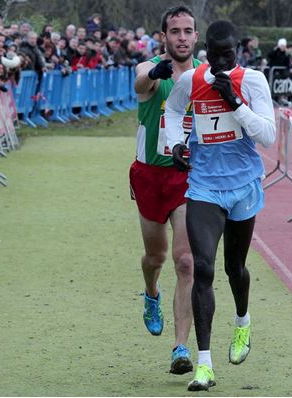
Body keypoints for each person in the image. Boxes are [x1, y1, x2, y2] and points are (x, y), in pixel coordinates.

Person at [164, 19, 275, 391]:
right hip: (204, 187)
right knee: (203, 268)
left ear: (238, 50)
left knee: (234, 268)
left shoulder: (253, 81)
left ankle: (243, 322)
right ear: (206, 53)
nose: (223, 62)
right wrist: (176, 144)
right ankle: (205, 365)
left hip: (243, 185)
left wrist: (235, 103)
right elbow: (174, 111)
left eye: (229, 54)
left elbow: (269, 136)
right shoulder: (191, 80)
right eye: (216, 56)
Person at [129, 5, 200, 377]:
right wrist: (154, 73)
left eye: (188, 31)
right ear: (164, 37)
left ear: (196, 36)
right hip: (149, 176)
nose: (182, 37)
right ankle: (151, 293)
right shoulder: (152, 69)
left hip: (186, 177)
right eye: (175, 31)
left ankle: (181, 347)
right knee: (154, 257)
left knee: (186, 260)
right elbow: (141, 81)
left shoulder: (205, 75)